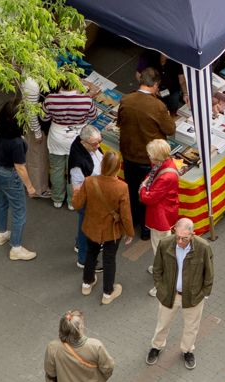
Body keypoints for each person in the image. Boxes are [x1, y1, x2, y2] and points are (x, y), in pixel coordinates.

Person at [148, 217, 215, 368]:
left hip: (193, 297)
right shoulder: (165, 244)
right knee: (162, 324)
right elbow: (157, 268)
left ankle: (187, 350)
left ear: (193, 234)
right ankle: (156, 347)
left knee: (191, 327)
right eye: (177, 236)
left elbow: (209, 273)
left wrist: (204, 293)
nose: (179, 241)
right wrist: (160, 287)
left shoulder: (203, 247)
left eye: (184, 238)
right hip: (169, 294)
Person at [117, 72, 176, 240]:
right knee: (147, 192)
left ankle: (133, 220)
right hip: (148, 159)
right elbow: (170, 129)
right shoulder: (158, 106)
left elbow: (120, 121)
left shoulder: (126, 99)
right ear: (155, 85)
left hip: (129, 155)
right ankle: (145, 228)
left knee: (132, 188)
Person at [72, 147, 135, 304]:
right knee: (109, 258)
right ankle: (108, 292)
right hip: (111, 230)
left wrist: (76, 193)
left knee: (91, 253)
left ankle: (87, 283)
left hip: (92, 225)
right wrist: (130, 232)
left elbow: (77, 204)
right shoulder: (122, 187)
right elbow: (126, 214)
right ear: (118, 167)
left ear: (102, 165)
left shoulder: (89, 181)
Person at [0, 95, 39, 262]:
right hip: (10, 175)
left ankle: (2, 233)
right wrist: (30, 187)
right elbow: (20, 167)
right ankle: (16, 248)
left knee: (2, 201)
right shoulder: (16, 142)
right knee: (19, 212)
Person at [42, 79, 97, 210]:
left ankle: (57, 199)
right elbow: (93, 116)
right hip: (78, 139)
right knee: (75, 171)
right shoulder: (86, 100)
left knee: (56, 169)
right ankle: (72, 201)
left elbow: (44, 117)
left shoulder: (50, 99)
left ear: (60, 84)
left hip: (57, 138)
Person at [139, 141, 182, 266]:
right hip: (167, 209)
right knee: (164, 242)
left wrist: (142, 187)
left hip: (160, 214)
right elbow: (152, 175)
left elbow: (149, 198)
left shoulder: (165, 176)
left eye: (150, 155)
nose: (148, 157)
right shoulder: (165, 163)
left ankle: (162, 271)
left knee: (159, 245)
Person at [68, 121, 103, 270]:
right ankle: (83, 259)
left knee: (83, 225)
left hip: (94, 193)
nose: (98, 146)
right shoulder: (78, 163)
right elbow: (77, 189)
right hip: (89, 199)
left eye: (99, 142)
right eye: (94, 144)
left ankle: (79, 245)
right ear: (84, 142)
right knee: (86, 229)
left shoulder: (85, 147)